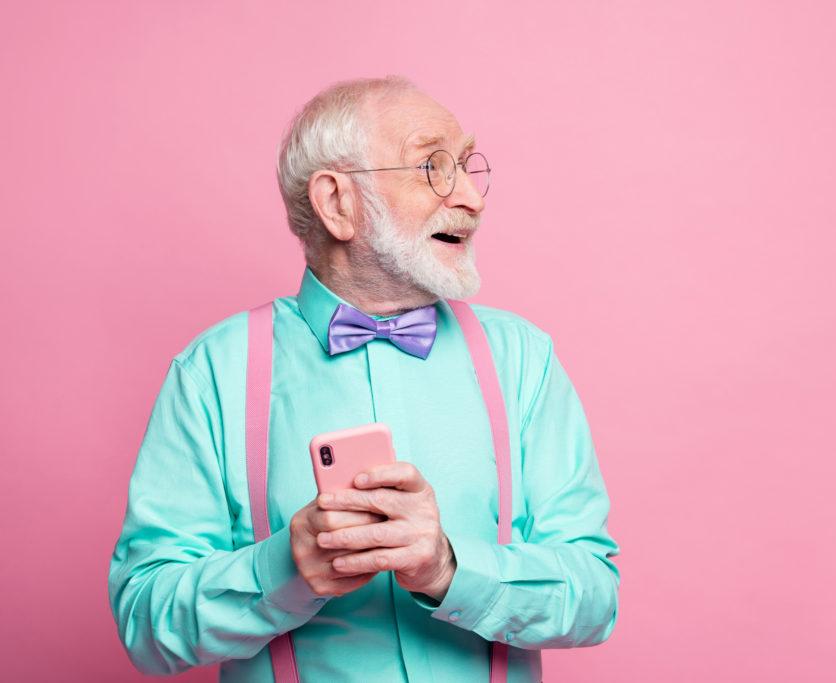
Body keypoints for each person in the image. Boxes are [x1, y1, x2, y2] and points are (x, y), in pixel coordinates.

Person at [107, 75, 620, 682]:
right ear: (337, 203)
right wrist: (284, 571)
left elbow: (595, 598)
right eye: (432, 166)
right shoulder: (211, 373)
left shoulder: (524, 360)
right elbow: (144, 623)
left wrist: (451, 570)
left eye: (466, 165)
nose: (473, 199)